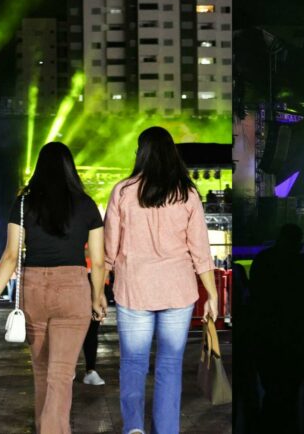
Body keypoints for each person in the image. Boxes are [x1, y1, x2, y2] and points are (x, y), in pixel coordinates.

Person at [0, 142, 107, 434]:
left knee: (43, 372)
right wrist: (97, 297)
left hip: (33, 290)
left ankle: (46, 427)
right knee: (60, 374)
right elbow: (97, 260)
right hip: (73, 289)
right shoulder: (86, 204)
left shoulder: (23, 203)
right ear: (70, 168)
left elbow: (9, 256)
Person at [104, 126, 218, 434]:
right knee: (170, 365)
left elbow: (108, 250)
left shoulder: (123, 192)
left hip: (133, 289)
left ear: (140, 153)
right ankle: (166, 429)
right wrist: (213, 296)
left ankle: (134, 428)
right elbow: (201, 251)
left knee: (133, 364)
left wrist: (99, 287)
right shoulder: (188, 194)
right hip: (178, 290)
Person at [248, 223, 304, 432]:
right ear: (298, 240)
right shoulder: (303, 263)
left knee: (272, 389)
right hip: (296, 336)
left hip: (267, 334)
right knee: (291, 389)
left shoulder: (263, 260)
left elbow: (255, 293)